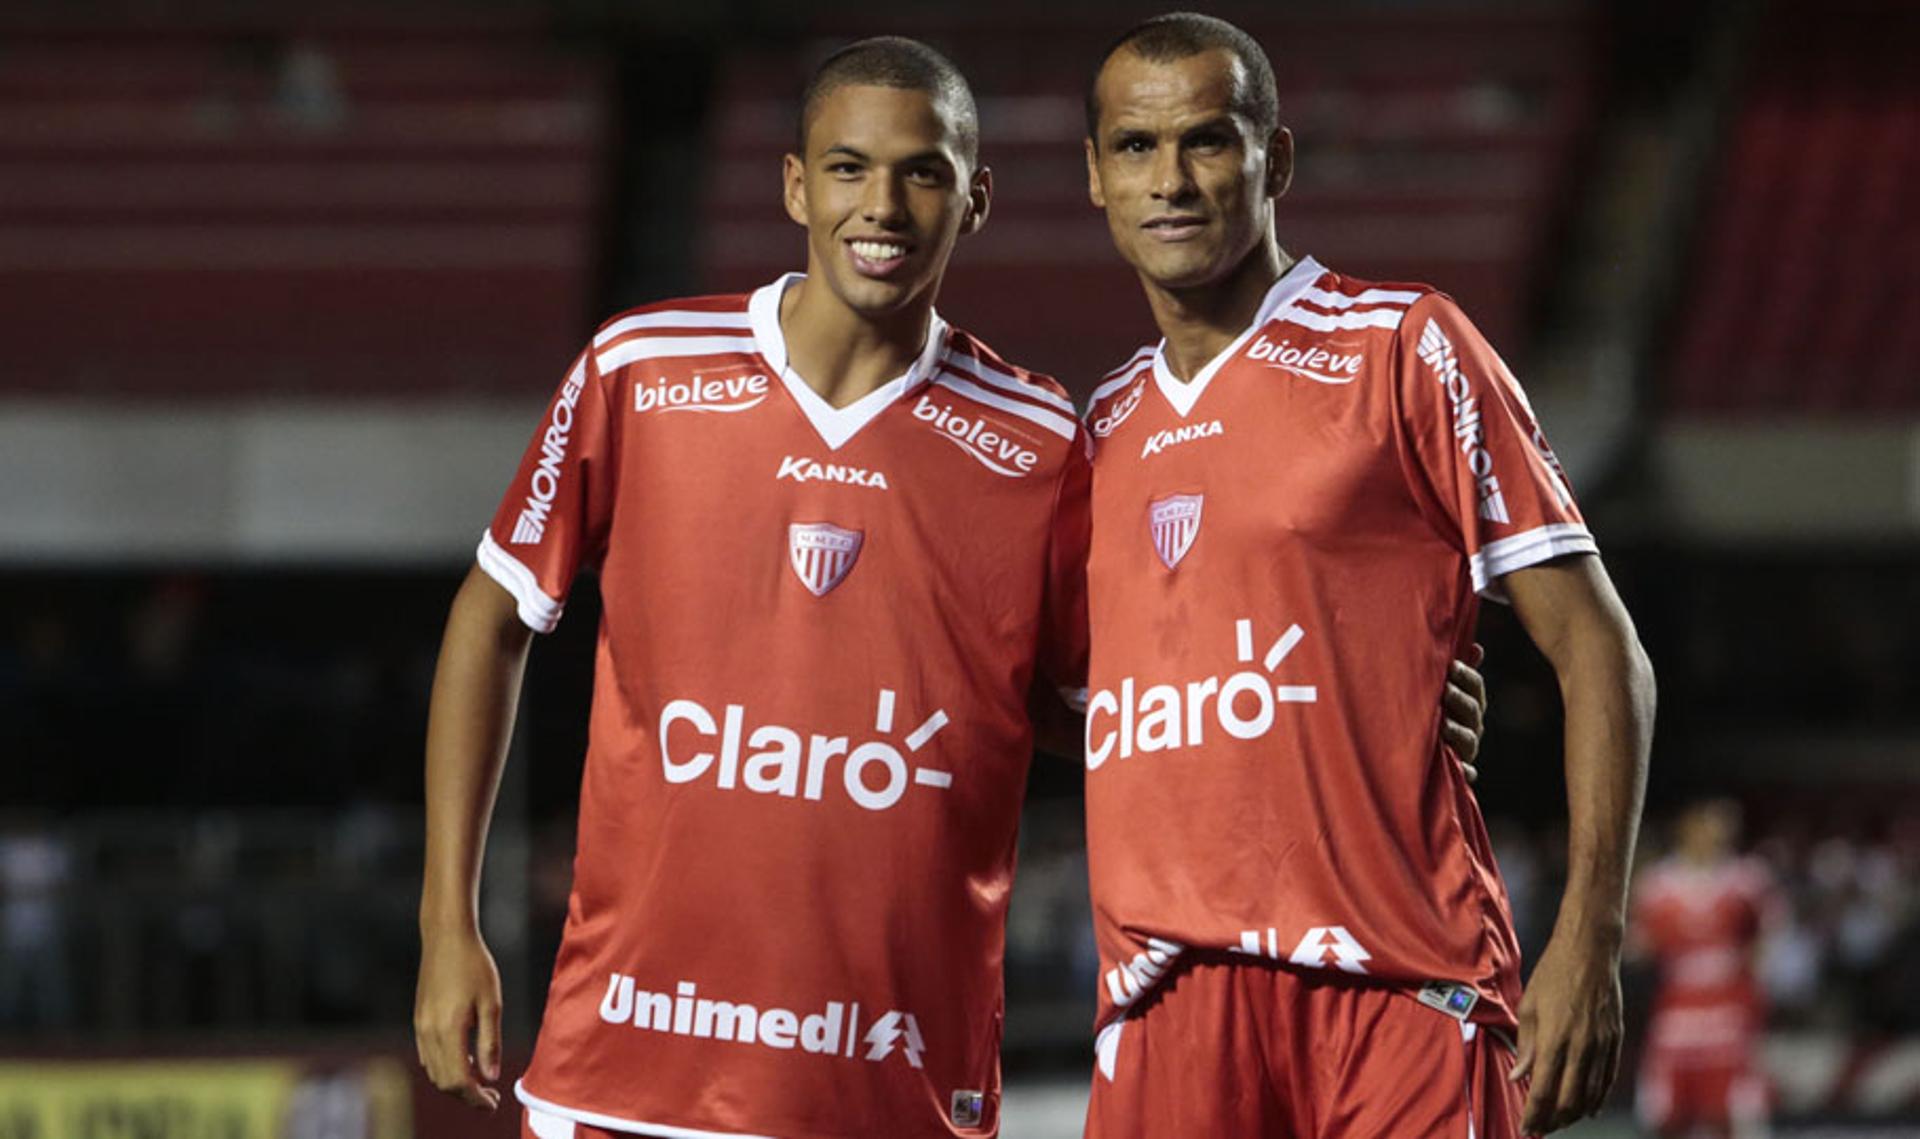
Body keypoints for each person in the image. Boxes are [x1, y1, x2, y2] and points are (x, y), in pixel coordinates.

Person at [414, 34, 1488, 1139]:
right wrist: (448, 921)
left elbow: (1111, 706)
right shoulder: (640, 369)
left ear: (974, 200)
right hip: (633, 1054)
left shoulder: (1040, 442)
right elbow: (491, 616)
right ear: (794, 184)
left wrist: (1369, 688)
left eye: (922, 171)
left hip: (895, 1074)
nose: (881, 205)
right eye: (847, 168)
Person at [1075, 13, 1656, 1138]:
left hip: (1400, 983)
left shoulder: (1407, 346)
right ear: (1095, 178)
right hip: (1167, 1000)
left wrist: (1590, 932)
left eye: (1207, 140)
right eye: (1137, 148)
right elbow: (1077, 698)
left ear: (1275, 157)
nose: (1172, 180)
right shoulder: (1100, 425)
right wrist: (1355, 696)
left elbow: (1600, 649)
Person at [1630, 801, 1778, 1139]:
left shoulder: (1747, 880)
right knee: (1667, 1113)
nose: (1713, 837)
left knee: (1737, 1112)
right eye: (1704, 828)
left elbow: (1765, 939)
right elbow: (1640, 947)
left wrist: (1752, 990)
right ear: (1685, 831)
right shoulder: (1657, 885)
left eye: (1720, 830)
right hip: (1677, 1011)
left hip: (1729, 1010)